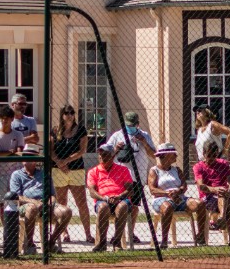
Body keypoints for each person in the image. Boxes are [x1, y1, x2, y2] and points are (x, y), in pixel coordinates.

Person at [9, 143, 73, 254]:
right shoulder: (16, 175)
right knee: (32, 208)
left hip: (46, 204)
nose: (26, 159)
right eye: (25, 156)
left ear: (36, 160)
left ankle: (51, 243)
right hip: (26, 205)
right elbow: (17, 196)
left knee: (66, 211)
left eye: (30, 156)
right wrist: (34, 202)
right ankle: (30, 244)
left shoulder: (44, 174)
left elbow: (52, 194)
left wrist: (50, 202)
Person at [148, 142, 207, 248]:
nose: (176, 156)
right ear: (166, 155)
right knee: (168, 207)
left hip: (180, 198)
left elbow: (184, 185)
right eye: (173, 154)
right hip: (161, 199)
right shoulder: (154, 171)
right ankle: (164, 241)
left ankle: (201, 236)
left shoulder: (177, 170)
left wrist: (178, 191)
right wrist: (167, 193)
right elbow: (152, 190)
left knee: (201, 203)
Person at [52, 104, 93, 244]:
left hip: (76, 169)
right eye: (67, 113)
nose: (70, 115)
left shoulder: (80, 130)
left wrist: (66, 161)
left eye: (72, 112)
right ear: (62, 115)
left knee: (81, 202)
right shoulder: (55, 130)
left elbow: (82, 150)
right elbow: (50, 150)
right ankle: (64, 233)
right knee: (62, 203)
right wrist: (58, 162)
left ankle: (88, 234)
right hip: (58, 170)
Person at [86, 141, 135, 252]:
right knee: (103, 207)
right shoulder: (93, 171)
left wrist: (119, 196)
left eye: (105, 154)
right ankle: (102, 243)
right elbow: (92, 192)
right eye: (100, 154)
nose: (101, 157)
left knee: (122, 206)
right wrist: (105, 198)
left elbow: (130, 190)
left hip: (121, 200)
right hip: (103, 200)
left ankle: (117, 242)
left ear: (112, 156)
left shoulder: (123, 170)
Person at [193, 138, 230, 245]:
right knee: (224, 197)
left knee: (224, 195)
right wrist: (215, 189)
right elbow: (201, 186)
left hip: (225, 196)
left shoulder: (223, 164)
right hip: (208, 198)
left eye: (214, 156)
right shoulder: (198, 167)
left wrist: (229, 190)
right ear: (204, 154)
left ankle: (222, 219)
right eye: (209, 155)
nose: (212, 158)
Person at [0, 104, 26, 204]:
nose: (4, 121)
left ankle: (15, 215)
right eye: (2, 118)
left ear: (12, 119)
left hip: (15, 173)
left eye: (7, 118)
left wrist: (2, 153)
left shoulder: (18, 134)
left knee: (16, 201)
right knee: (2, 202)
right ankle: (3, 215)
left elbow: (19, 153)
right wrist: (9, 152)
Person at [106, 111, 156, 187]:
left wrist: (144, 142)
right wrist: (116, 149)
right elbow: (106, 155)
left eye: (132, 125)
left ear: (137, 124)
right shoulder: (117, 135)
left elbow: (153, 155)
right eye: (128, 125)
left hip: (139, 175)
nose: (130, 127)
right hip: (121, 176)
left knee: (137, 194)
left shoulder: (144, 135)